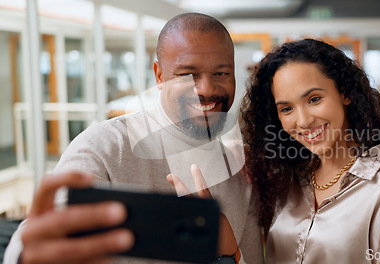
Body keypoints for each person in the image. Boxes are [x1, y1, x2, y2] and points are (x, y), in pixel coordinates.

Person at [4, 13, 263, 264]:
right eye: (187, 74)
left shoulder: (241, 171)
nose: (205, 89)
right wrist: (28, 256)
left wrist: (230, 255)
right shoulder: (105, 146)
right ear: (159, 76)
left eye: (221, 73)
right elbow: (45, 234)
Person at [240, 39, 380, 263]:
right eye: (286, 109)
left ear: (344, 93)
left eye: (314, 99)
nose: (303, 121)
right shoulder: (286, 180)